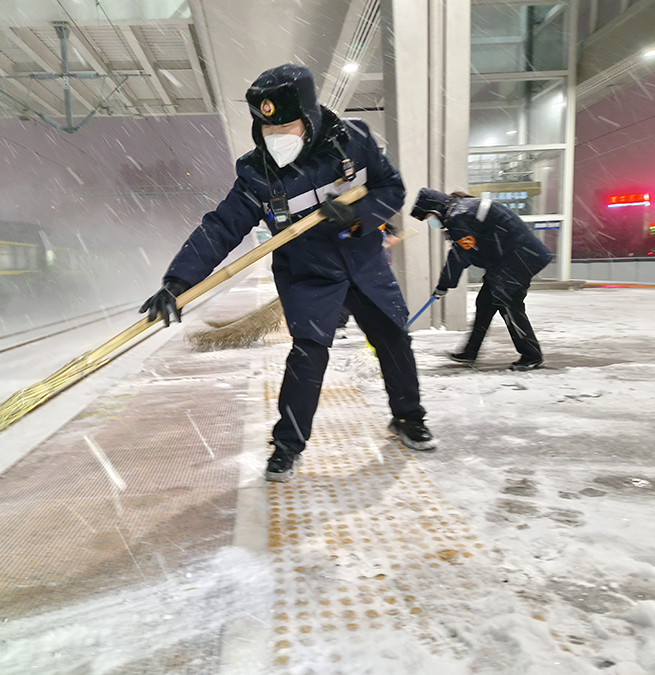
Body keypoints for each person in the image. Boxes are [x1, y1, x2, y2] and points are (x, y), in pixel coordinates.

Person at [140, 63, 434, 483]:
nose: (275, 139)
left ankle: (408, 418)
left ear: (310, 118)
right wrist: (177, 281)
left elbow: (392, 188)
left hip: (366, 265)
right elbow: (221, 227)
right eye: (266, 130)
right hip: (309, 276)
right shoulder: (257, 172)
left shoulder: (353, 141)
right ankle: (287, 446)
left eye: (286, 127)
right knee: (308, 355)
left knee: (393, 340)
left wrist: (357, 215)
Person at [410, 188, 553, 371]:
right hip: (512, 259)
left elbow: (460, 255)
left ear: (436, 209)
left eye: (429, 216)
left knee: (509, 305)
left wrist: (444, 285)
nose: (431, 221)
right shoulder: (462, 210)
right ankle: (470, 352)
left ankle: (531, 356)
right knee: (485, 303)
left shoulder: (458, 216)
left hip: (519, 259)